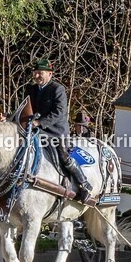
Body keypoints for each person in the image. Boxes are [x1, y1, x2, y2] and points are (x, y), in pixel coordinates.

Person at [24, 59, 91, 202]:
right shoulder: (31, 89)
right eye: (35, 73)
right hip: (36, 130)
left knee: (64, 155)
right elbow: (24, 108)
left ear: (49, 74)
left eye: (40, 73)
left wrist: (39, 122)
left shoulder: (57, 89)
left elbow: (59, 112)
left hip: (56, 132)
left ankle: (84, 184)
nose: (37, 76)